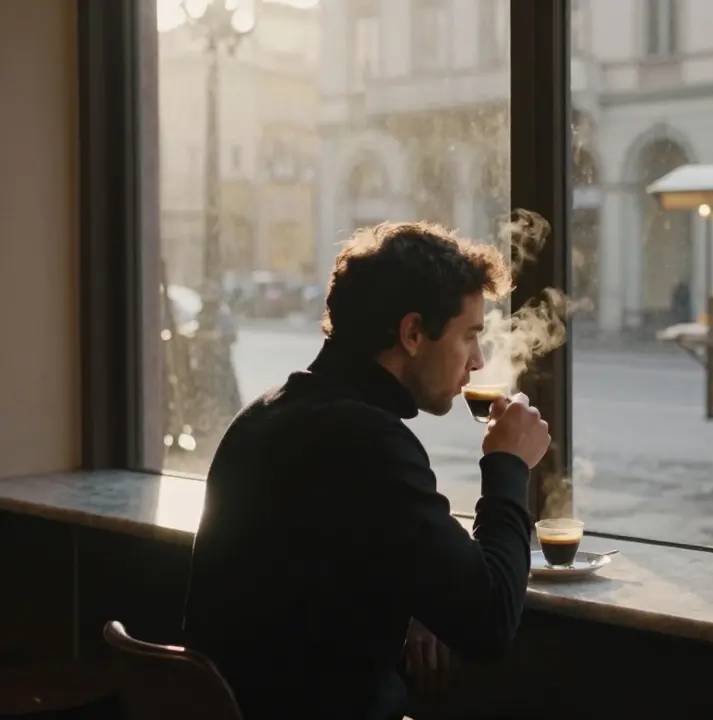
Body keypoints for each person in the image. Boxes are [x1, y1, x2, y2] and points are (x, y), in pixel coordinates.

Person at [181, 221, 551, 720]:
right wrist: (507, 466)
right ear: (413, 333)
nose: (479, 361)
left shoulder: (268, 413)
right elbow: (489, 623)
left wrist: (417, 597)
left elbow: (324, 567)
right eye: (470, 336)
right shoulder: (366, 440)